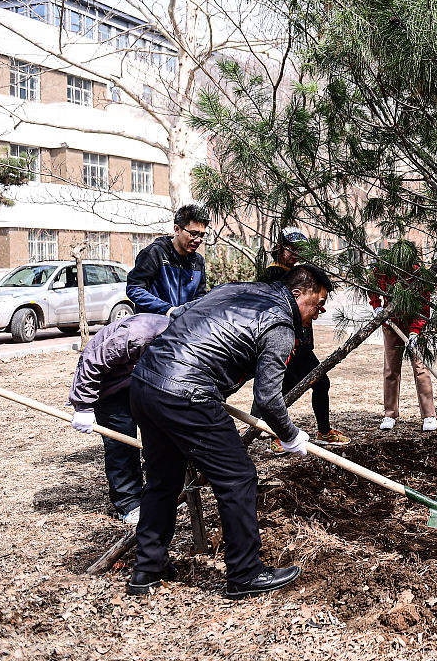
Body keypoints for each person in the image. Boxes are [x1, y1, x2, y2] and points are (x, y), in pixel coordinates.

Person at [126, 264, 333, 600]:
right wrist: (291, 435)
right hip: (186, 393)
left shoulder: (234, 289)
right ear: (297, 294)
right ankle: (246, 573)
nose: (318, 312)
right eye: (317, 303)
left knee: (163, 480)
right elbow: (267, 398)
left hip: (146, 382)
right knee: (237, 478)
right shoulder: (280, 324)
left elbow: (180, 314)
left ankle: (147, 570)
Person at [68, 313, 170, 525]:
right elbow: (92, 361)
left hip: (141, 382)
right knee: (121, 442)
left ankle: (155, 496)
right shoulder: (138, 334)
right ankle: (129, 503)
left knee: (158, 437)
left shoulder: (182, 336)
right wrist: (83, 406)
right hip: (110, 387)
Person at [258, 227, 348, 446]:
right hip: (287, 344)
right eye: (292, 249)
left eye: (300, 250)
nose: (296, 254)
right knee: (283, 390)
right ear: (280, 248)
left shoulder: (298, 273)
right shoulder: (273, 275)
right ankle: (279, 436)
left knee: (317, 383)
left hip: (302, 344)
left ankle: (320, 431)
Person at [369, 241, 437, 431]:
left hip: (414, 323)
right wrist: (377, 306)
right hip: (391, 323)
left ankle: (429, 415)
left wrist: (415, 331)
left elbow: (424, 307)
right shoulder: (384, 269)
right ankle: (390, 414)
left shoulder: (417, 273)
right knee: (391, 369)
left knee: (421, 368)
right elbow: (372, 285)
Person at [126, 204, 209, 315]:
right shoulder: (154, 253)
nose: (198, 240)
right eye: (193, 234)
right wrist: (167, 310)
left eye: (202, 235)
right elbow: (135, 289)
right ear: (177, 229)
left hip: (184, 326)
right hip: (152, 325)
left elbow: (200, 296)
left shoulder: (198, 262)